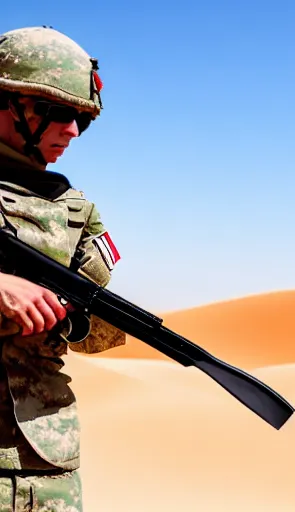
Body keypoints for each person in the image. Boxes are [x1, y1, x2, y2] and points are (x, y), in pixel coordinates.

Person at [0, 26, 126, 510]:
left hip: (45, 461)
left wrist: (89, 316)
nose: (71, 131)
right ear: (7, 102)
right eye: (56, 112)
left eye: (81, 120)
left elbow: (92, 341)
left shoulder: (75, 211)